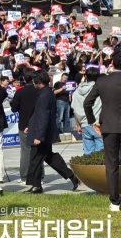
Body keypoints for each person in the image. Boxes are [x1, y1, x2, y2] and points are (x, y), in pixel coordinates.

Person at [25, 70, 80, 194]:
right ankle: (72, 177)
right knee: (49, 157)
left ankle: (36, 185)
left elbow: (44, 116)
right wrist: (31, 126)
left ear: (38, 81)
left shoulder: (45, 95)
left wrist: (39, 135)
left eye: (34, 81)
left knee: (35, 159)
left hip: (41, 133)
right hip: (42, 131)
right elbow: (39, 114)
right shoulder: (46, 92)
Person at [84, 52, 121, 211]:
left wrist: (93, 122)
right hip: (110, 125)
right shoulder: (103, 80)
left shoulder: (103, 80)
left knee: (111, 164)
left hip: (109, 126)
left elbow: (87, 103)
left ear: (112, 62)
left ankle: (114, 201)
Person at [9, 67, 39, 183]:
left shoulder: (20, 92)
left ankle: (25, 176)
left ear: (24, 78)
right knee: (37, 150)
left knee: (26, 150)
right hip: (38, 123)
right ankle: (38, 176)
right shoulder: (39, 91)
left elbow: (14, 108)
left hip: (24, 122)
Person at [72, 67, 103, 155]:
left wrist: (78, 125)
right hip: (98, 124)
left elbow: (74, 109)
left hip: (84, 124)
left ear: (85, 76)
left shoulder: (77, 92)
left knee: (88, 155)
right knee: (101, 155)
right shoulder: (99, 89)